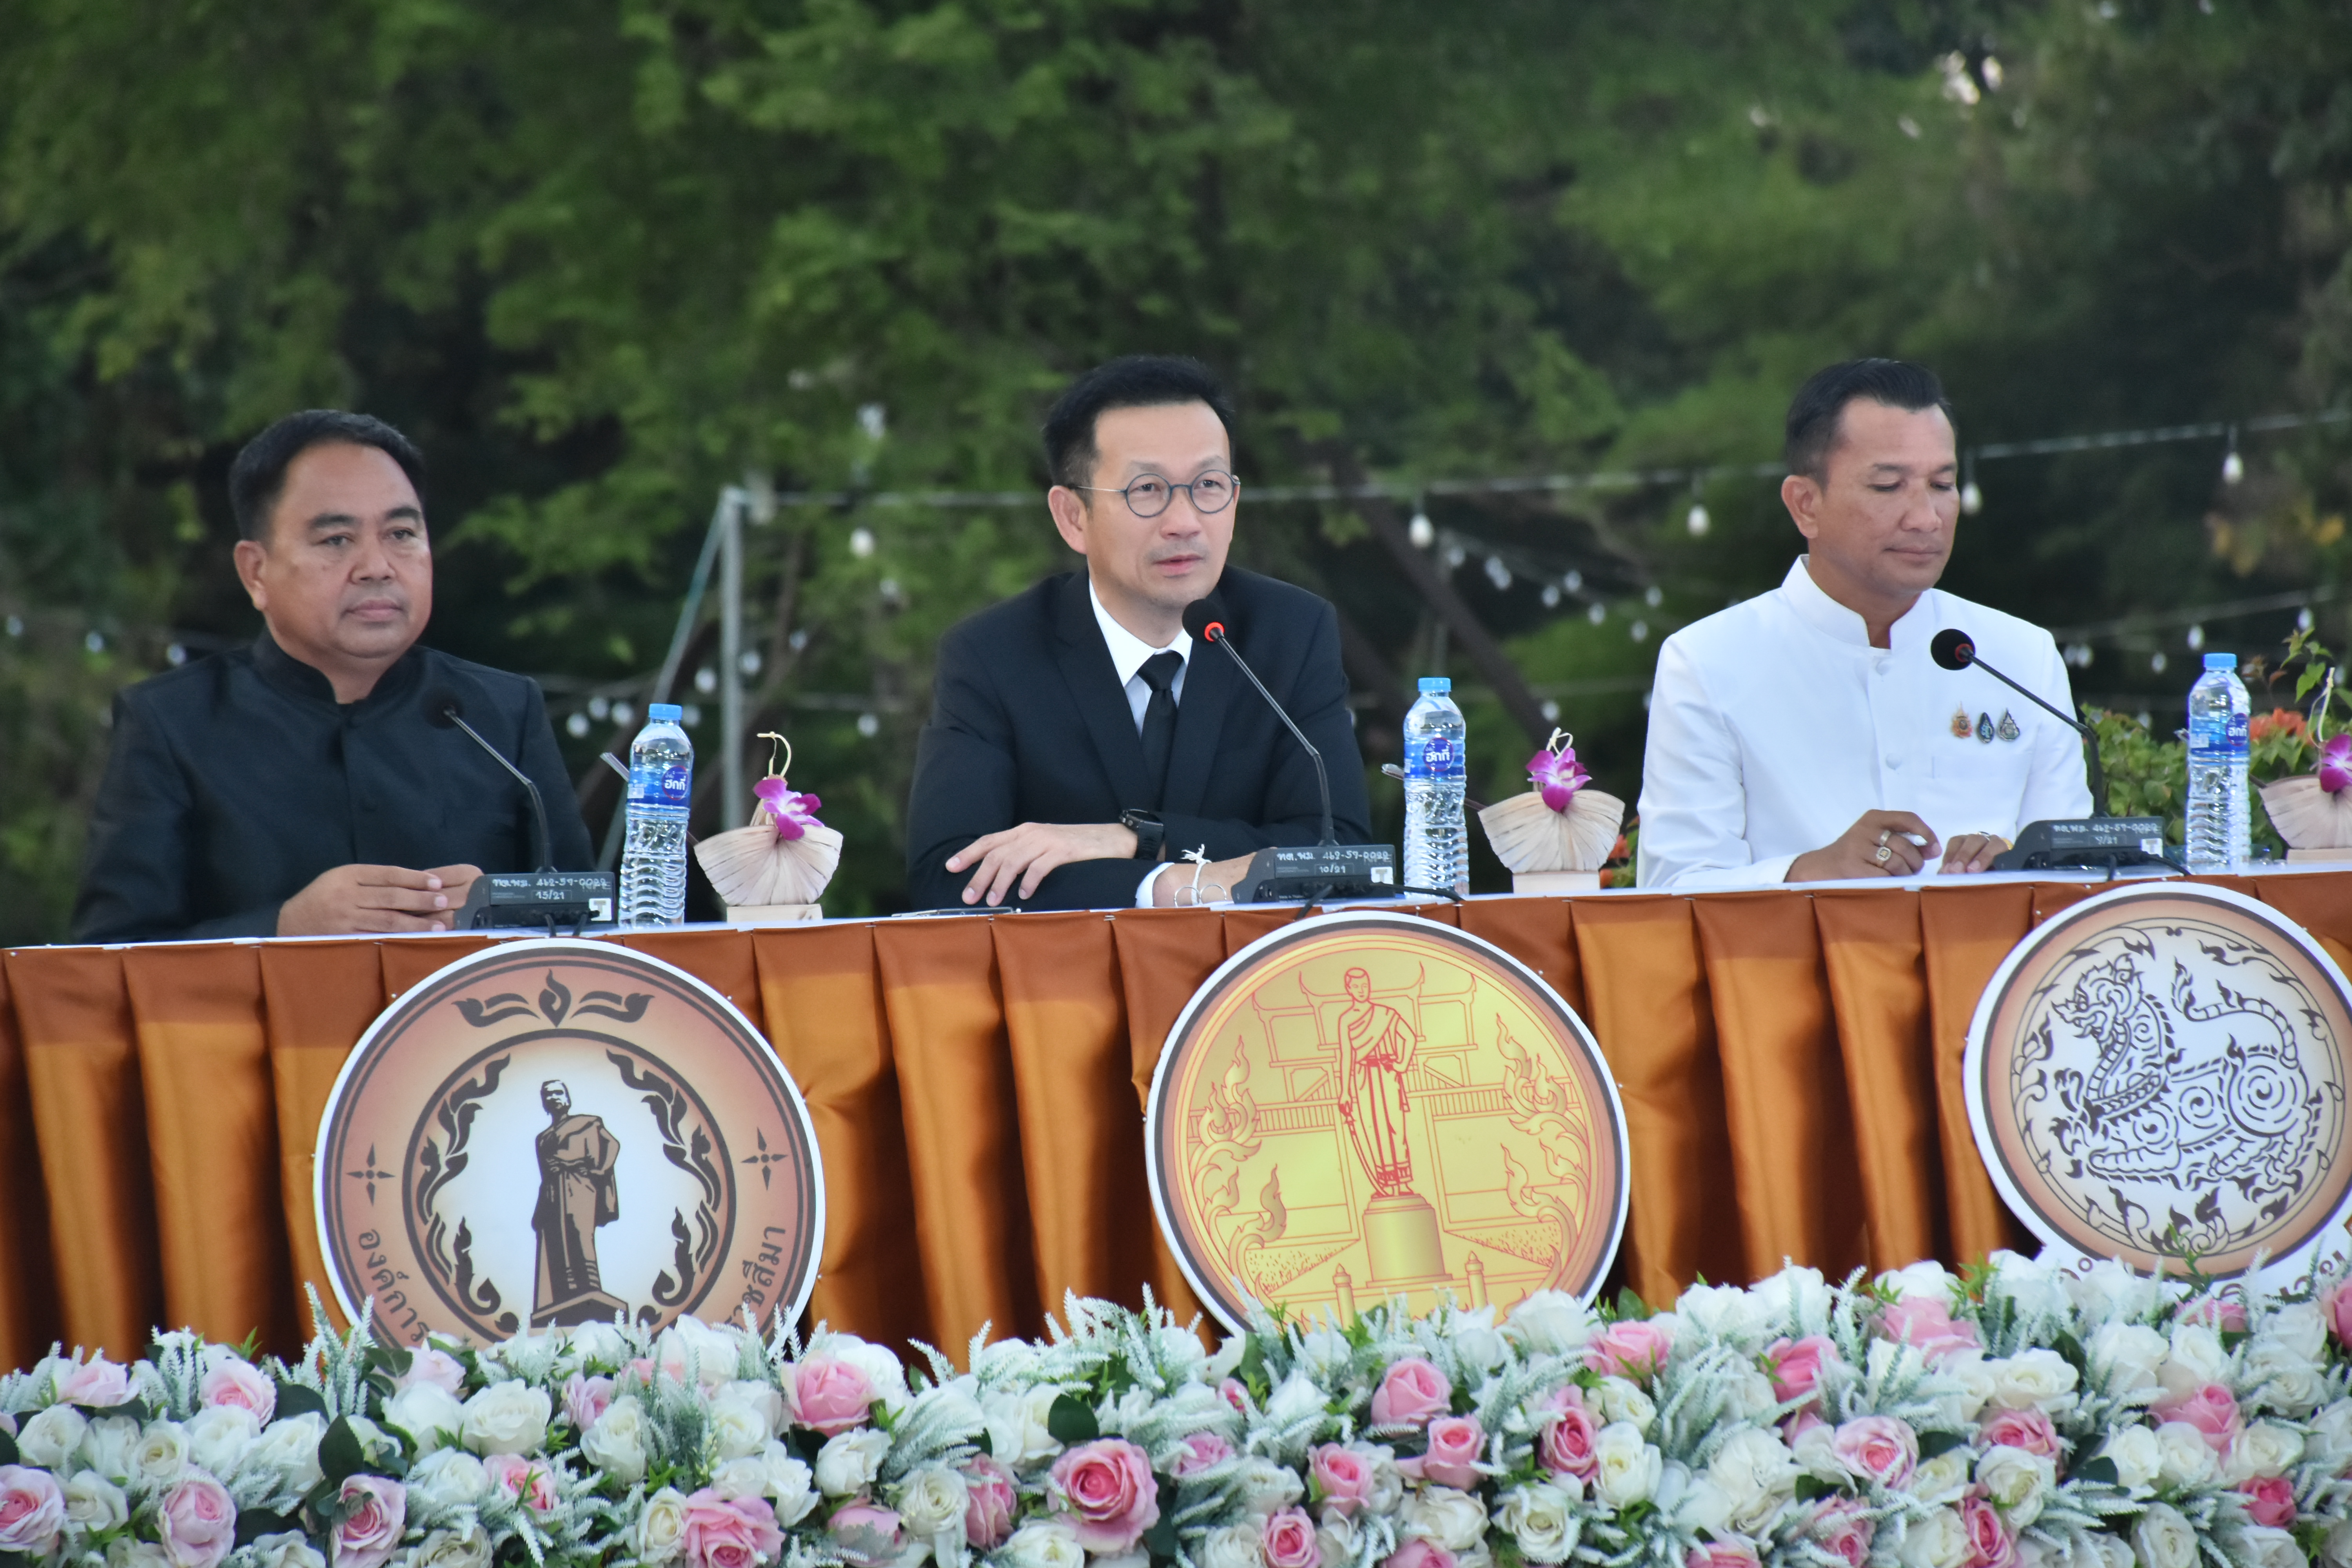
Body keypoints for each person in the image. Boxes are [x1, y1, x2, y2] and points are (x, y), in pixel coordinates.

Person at [72, 409, 593, 942]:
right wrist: (283, 929)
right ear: (256, 572)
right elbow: (108, 957)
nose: (377, 567)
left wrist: (497, 910)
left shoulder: (500, 714)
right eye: (337, 540)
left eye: (401, 534)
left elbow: (591, 925)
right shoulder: (172, 724)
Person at [905, 354, 1371, 911]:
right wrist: (1165, 885)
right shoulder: (992, 656)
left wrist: (1139, 840)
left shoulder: (1292, 633)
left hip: (1260, 967)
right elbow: (949, 878)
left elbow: (1341, 855)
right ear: (1073, 517)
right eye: (1147, 490)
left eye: (1209, 485)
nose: (1185, 522)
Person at [1636, 359, 2092, 890]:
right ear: (1806, 505)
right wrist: (1810, 872)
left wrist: (2017, 865)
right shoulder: (1709, 662)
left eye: (1942, 484)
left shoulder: (2020, 656)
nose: (1926, 518)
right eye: (1888, 486)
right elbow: (1674, 888)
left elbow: (2080, 880)